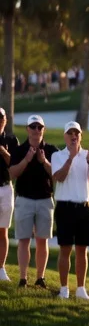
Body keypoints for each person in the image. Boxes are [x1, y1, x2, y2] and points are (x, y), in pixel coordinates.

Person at [51, 121, 89, 300]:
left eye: (76, 133)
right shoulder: (58, 155)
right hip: (65, 208)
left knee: (82, 250)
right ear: (65, 136)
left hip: (85, 208)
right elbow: (59, 177)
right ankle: (64, 288)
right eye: (70, 133)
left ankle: (80, 289)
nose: (73, 136)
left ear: (81, 136)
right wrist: (71, 158)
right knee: (65, 249)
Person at [8, 114, 59, 289]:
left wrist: (44, 162)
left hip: (45, 199)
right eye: (33, 127)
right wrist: (27, 160)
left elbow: (57, 175)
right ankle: (23, 278)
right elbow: (12, 173)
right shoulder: (19, 150)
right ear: (27, 129)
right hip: (24, 199)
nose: (36, 130)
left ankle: (40, 277)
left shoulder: (51, 150)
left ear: (43, 130)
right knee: (23, 240)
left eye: (40, 127)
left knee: (42, 240)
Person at [0, 109, 17, 281]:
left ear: (5, 120)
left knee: (3, 230)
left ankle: (1, 268)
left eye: (1, 118)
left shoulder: (11, 140)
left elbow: (15, 165)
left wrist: (3, 152)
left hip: (6, 187)